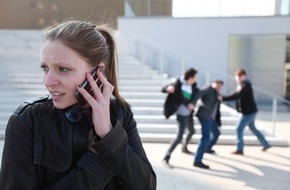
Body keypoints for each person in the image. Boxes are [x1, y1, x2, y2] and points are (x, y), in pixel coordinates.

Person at [0, 20, 156, 189]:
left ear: (98, 72)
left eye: (63, 69)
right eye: (45, 68)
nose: (48, 81)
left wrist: (108, 134)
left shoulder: (120, 114)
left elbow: (146, 185)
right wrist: (100, 156)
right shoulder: (27, 121)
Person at [222, 69, 271, 155]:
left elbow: (238, 95)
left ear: (242, 76)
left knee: (238, 129)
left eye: (238, 76)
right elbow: (237, 95)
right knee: (253, 128)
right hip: (250, 111)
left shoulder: (246, 85)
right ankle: (265, 143)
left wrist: (223, 98)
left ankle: (239, 149)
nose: (236, 78)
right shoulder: (243, 85)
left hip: (248, 112)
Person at [162, 68, 199, 166]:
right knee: (179, 136)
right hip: (181, 115)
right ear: (190, 77)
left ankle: (184, 147)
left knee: (192, 131)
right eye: (195, 77)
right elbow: (163, 89)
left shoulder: (193, 85)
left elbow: (195, 96)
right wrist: (167, 88)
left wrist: (192, 104)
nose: (196, 79)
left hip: (189, 114)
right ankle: (167, 155)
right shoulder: (178, 83)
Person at [193, 80, 224, 169]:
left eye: (220, 86)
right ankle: (197, 160)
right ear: (212, 83)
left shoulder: (216, 93)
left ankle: (207, 148)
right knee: (205, 137)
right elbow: (198, 94)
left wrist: (219, 99)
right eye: (217, 84)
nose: (219, 87)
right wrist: (192, 104)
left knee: (216, 133)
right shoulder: (208, 89)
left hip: (211, 118)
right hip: (204, 116)